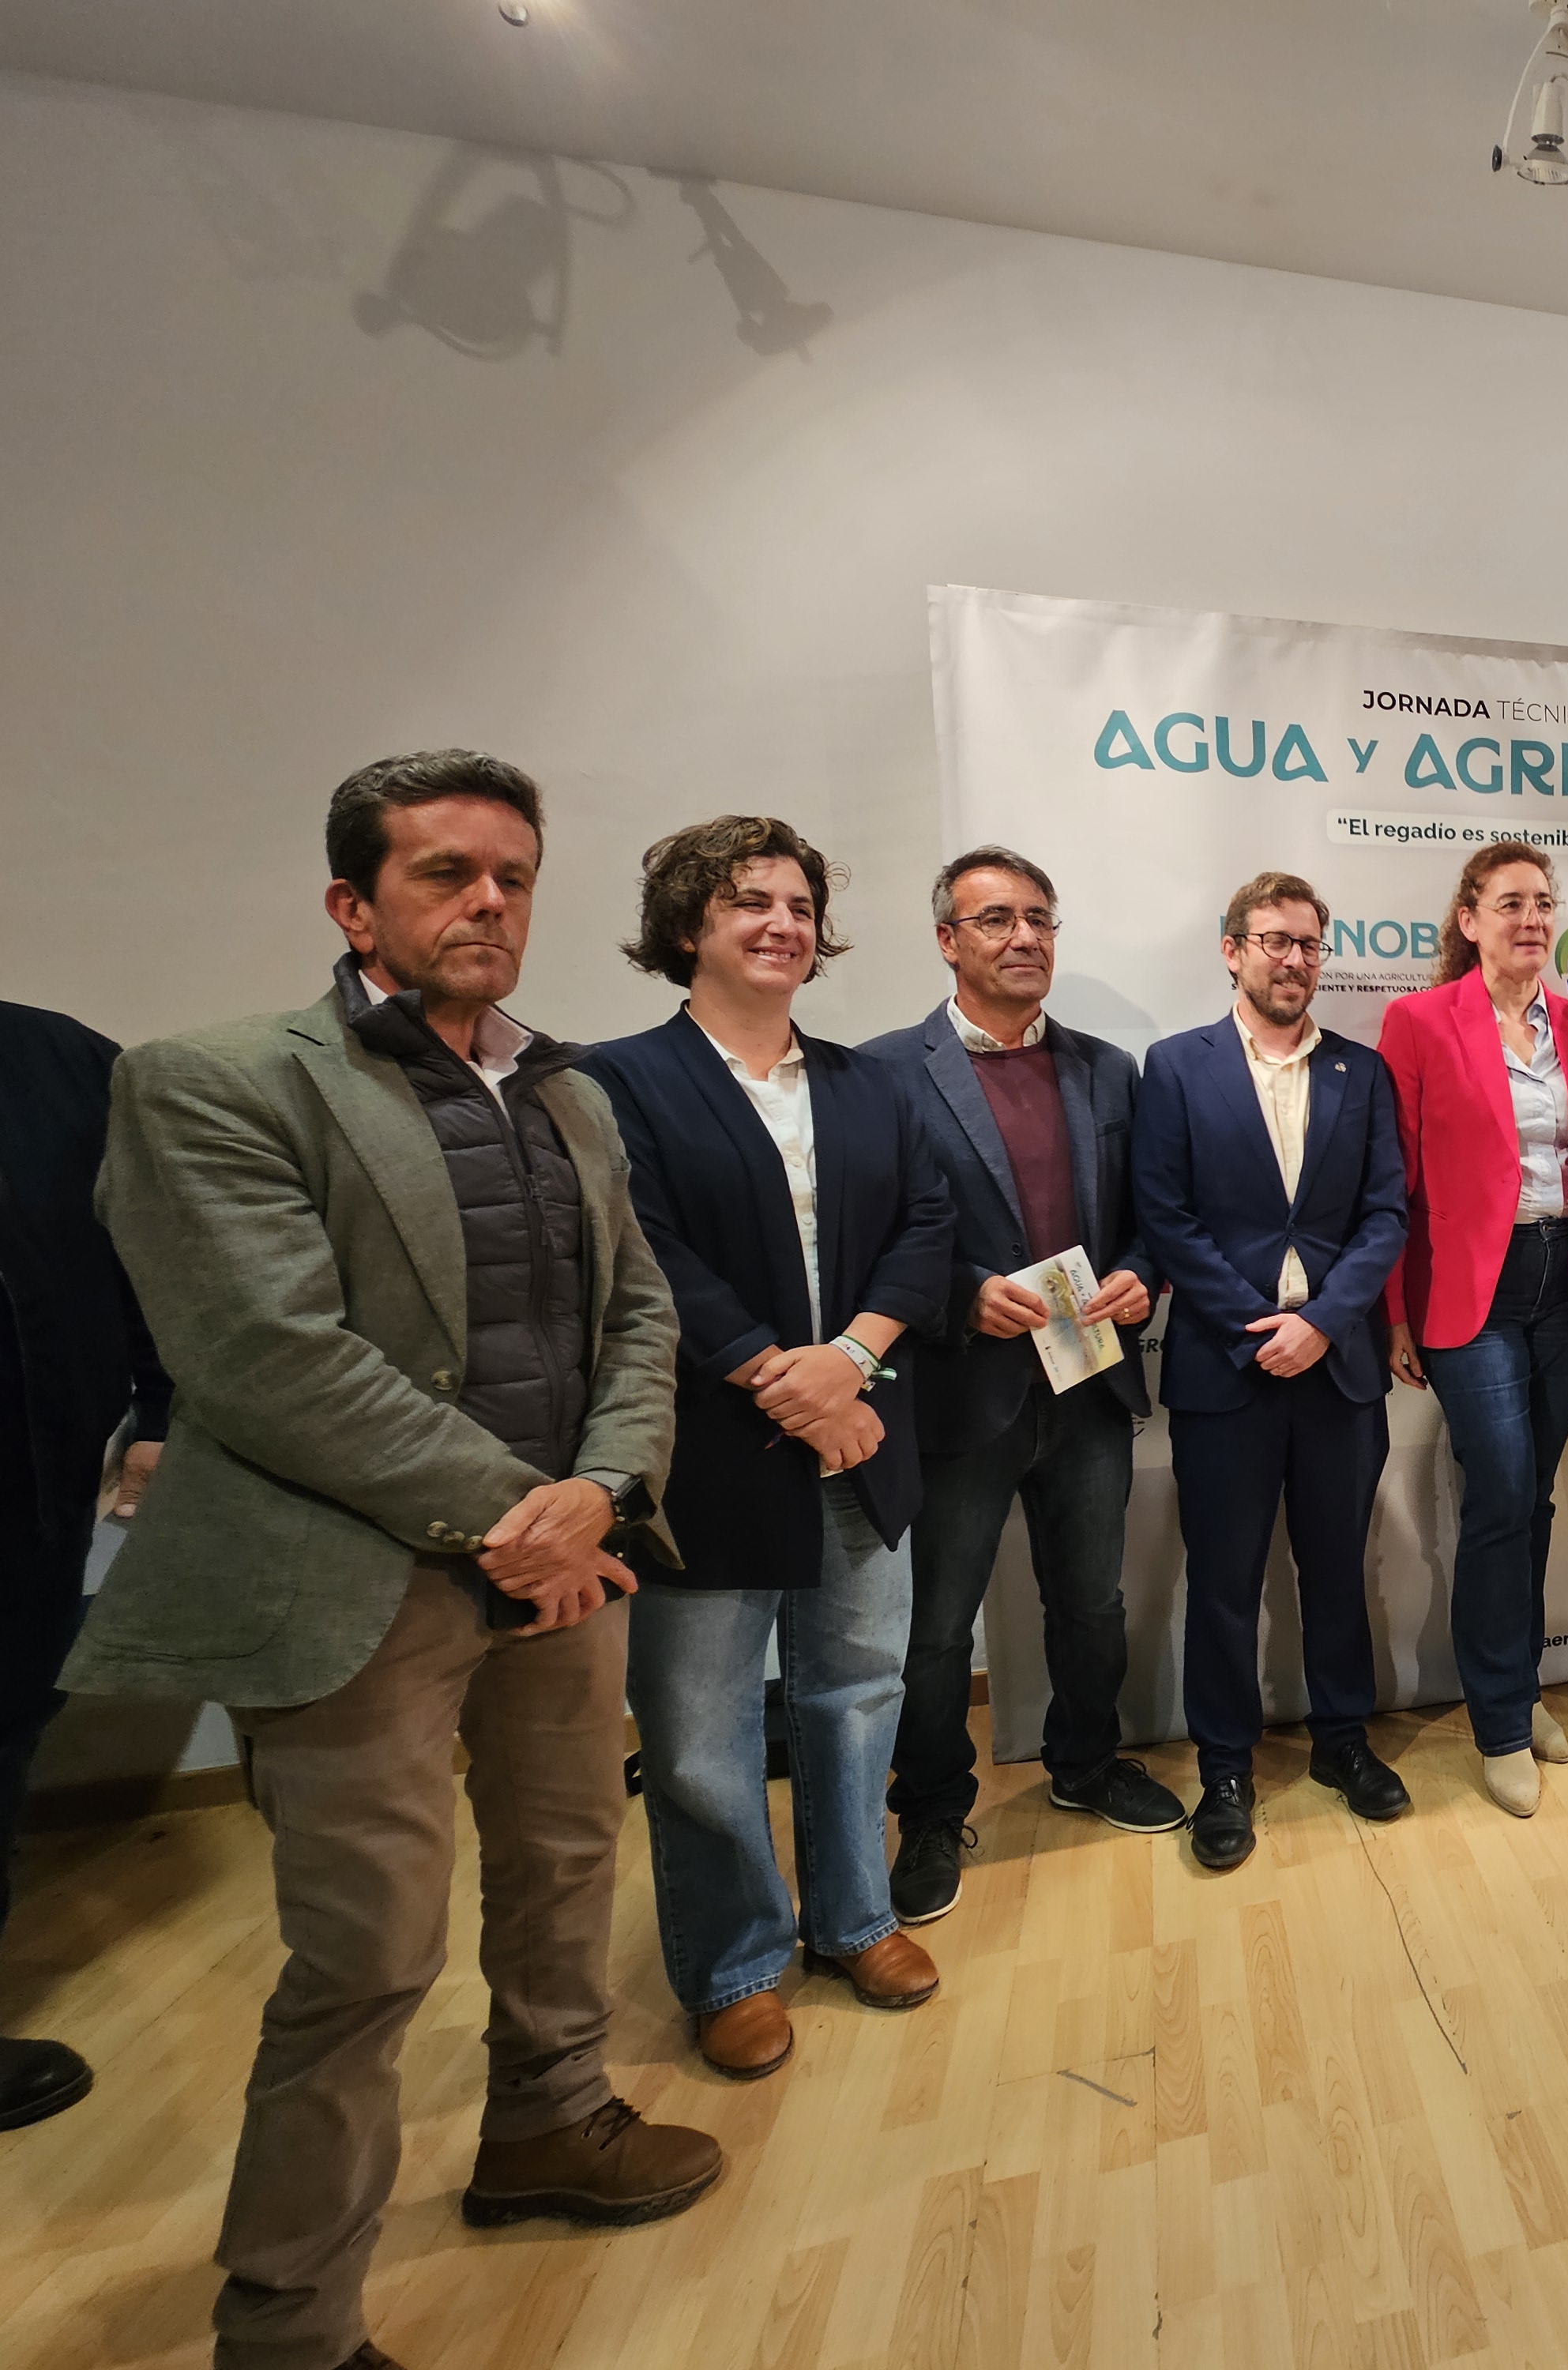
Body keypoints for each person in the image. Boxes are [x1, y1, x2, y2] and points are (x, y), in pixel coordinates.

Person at [62, 750, 719, 2370]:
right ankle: (290, 2322)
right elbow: (263, 1359)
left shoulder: (566, 1092)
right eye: (445, 873)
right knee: (364, 1959)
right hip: (357, 1584)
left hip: (566, 1570)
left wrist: (601, 1491)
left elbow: (638, 1313)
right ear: (353, 904)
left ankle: (549, 2126)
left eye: (512, 876)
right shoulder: (213, 1080)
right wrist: (526, 1516)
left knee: (567, 1870)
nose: (488, 901)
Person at [583, 817, 955, 2083]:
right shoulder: (617, 1082)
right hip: (708, 1452)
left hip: (863, 1431)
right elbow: (641, 1250)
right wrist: (779, 1379)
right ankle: (736, 1964)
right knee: (699, 1732)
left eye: (799, 905)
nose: (783, 924)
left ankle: (855, 1920)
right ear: (688, 924)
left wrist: (848, 1360)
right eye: (751, 901)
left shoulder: (866, 1084)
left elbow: (926, 1226)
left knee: (856, 1693)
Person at [862, 848, 1179, 1926]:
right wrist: (960, 1295)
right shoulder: (884, 1072)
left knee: (1092, 1602)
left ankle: (1084, 1764)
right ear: (947, 941)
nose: (1025, 938)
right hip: (959, 1394)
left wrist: (1141, 1274)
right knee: (938, 1629)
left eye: (1039, 918)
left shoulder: (1108, 1070)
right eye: (997, 920)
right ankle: (931, 1810)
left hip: (1086, 1386)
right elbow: (870, 1236)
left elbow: (1146, 1218)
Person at [1134, 871, 1410, 1870]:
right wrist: (1258, 1328)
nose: (1294, 960)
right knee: (1224, 1581)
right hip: (1227, 1369)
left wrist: (1325, 1324)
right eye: (1274, 941)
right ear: (1233, 950)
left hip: (1337, 1370)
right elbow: (1166, 1216)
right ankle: (1224, 1769)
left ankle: (1342, 1740)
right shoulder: (1177, 1066)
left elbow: (1386, 1214)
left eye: (1308, 944)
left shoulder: (1361, 1072)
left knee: (1338, 1569)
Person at [1380, 841, 1568, 1817]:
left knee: (1535, 1498)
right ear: (1468, 920)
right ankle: (1500, 1722)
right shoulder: (1419, 1021)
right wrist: (1394, 1311)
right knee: (1503, 1492)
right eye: (1509, 902)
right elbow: (1391, 1177)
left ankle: (1520, 1683)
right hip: (1468, 1291)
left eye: (1543, 902)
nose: (1530, 918)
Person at [0, 1003, 170, 2131]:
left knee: (5, 1727)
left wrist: (161, 1408)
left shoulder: (61, 1062)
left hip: (30, 1486)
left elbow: (154, 1255)